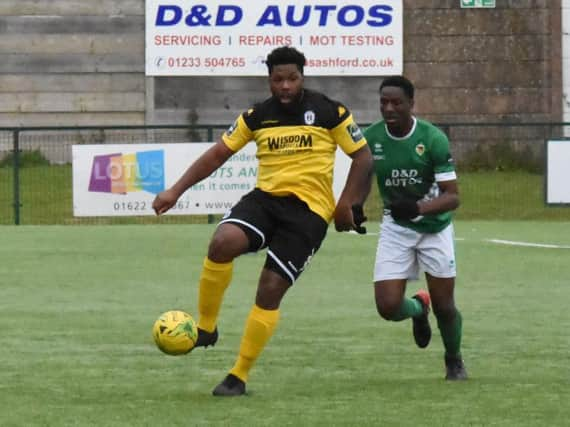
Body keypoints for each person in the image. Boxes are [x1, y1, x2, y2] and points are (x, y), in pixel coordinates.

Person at [152, 46, 373, 396]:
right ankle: (206, 328)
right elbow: (218, 153)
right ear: (268, 80)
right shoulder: (257, 116)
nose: (285, 86)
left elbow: (363, 157)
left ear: (303, 77)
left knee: (270, 289)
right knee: (222, 242)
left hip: (309, 213)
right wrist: (175, 190)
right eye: (277, 80)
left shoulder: (330, 111)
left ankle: (238, 375)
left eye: (292, 79)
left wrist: (347, 202)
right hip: (265, 201)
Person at [362, 75, 467, 380]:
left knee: (446, 307)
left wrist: (418, 208)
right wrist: (354, 207)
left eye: (396, 102)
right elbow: (361, 178)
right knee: (388, 306)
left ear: (411, 104)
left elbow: (453, 197)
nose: (389, 108)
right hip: (396, 228)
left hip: (434, 228)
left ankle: (453, 359)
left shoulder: (432, 139)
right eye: (384, 102)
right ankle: (419, 309)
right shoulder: (372, 138)